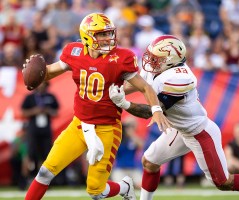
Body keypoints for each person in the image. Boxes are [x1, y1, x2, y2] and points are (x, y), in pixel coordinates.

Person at [109, 35, 239, 200]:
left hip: (198, 132)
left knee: (223, 182)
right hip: (178, 128)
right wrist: (112, 91)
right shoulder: (158, 69)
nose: (150, 61)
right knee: (150, 162)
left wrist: (124, 104)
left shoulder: (179, 79)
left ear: (171, 61)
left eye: (157, 58)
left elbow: (153, 110)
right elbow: (139, 85)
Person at [23, 13, 170, 200]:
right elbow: (51, 71)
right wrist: (34, 76)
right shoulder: (74, 52)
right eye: (101, 34)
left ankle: (124, 188)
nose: (108, 38)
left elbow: (144, 86)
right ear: (87, 36)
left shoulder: (121, 58)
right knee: (45, 172)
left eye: (109, 33)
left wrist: (156, 110)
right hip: (79, 125)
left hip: (107, 129)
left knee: (95, 191)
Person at [21, 81, 59, 176]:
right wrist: (34, 111)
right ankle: (26, 178)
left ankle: (42, 178)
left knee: (46, 154)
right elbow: (23, 112)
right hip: (33, 130)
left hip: (46, 130)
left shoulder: (50, 96)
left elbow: (56, 112)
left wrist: (47, 111)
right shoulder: (30, 97)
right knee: (30, 154)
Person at [111, 117, 144, 188]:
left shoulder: (133, 138)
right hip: (120, 168)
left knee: (142, 185)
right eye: (128, 126)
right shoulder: (119, 138)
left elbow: (141, 145)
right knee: (120, 187)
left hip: (133, 168)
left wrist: (132, 134)